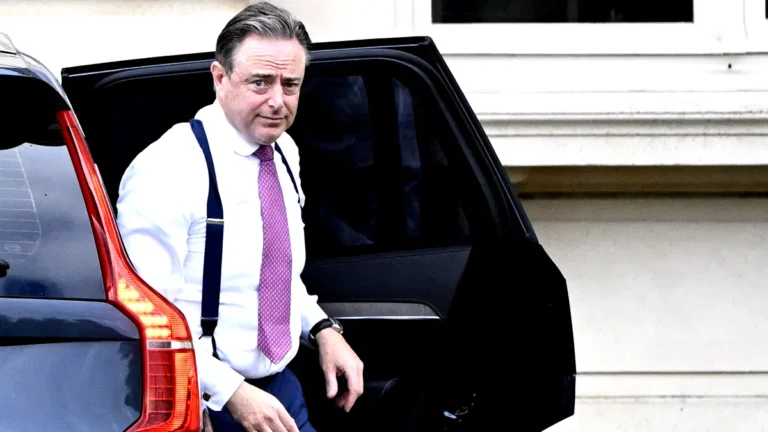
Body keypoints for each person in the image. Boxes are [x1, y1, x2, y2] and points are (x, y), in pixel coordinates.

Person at [115, 2, 364, 431]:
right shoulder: (168, 168)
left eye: (290, 84)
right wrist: (230, 392)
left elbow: (274, 271)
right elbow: (145, 312)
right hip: (202, 402)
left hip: (280, 389)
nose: (277, 101)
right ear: (219, 77)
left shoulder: (283, 152)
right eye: (260, 82)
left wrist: (322, 328)